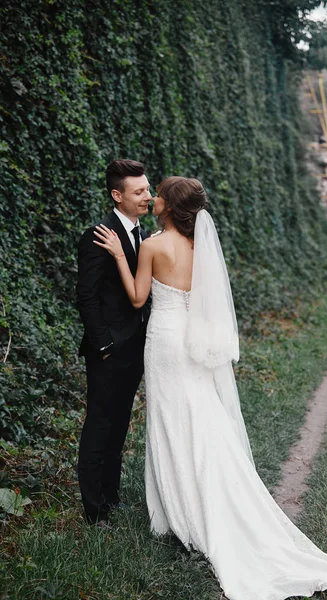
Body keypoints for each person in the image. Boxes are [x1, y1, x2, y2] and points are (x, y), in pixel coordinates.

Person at [93, 176, 327, 600]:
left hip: (163, 343)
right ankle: (213, 495)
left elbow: (139, 298)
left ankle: (180, 516)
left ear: (169, 205)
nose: (153, 198)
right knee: (202, 416)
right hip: (192, 345)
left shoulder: (153, 247)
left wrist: (118, 258)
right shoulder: (201, 250)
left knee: (170, 420)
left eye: (158, 193)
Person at [76, 159, 152, 525]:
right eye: (139, 192)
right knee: (100, 424)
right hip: (107, 351)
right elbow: (86, 297)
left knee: (121, 423)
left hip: (136, 347)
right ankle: (94, 510)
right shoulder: (97, 235)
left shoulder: (144, 233)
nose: (147, 197)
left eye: (148, 189)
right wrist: (103, 344)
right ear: (116, 195)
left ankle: (112, 496)